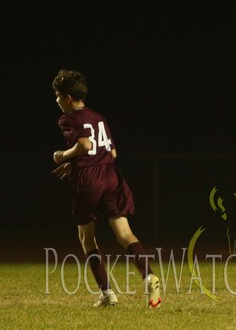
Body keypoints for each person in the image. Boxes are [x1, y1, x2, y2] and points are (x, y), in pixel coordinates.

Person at [51, 69, 161, 308]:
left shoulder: (67, 118)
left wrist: (63, 156)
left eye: (58, 96)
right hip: (111, 175)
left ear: (68, 97)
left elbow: (85, 144)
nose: (57, 101)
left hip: (90, 180)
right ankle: (149, 275)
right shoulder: (99, 117)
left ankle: (107, 293)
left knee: (86, 238)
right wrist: (76, 163)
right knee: (125, 234)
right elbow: (111, 152)